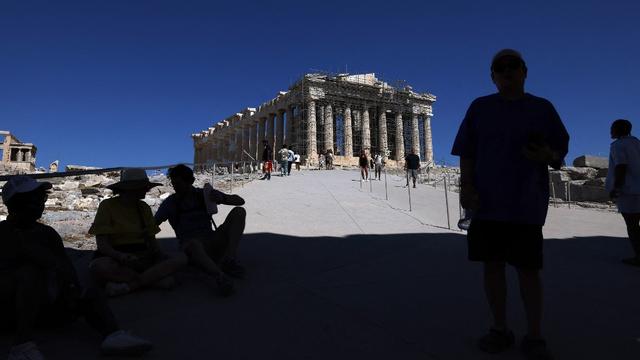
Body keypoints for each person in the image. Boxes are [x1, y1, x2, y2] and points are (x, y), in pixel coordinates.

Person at [451, 49, 569, 360]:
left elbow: (559, 153)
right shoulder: (480, 107)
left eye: (512, 66)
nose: (506, 71)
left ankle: (534, 334)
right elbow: (467, 151)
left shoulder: (542, 108)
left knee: (528, 270)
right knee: (492, 268)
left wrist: (548, 156)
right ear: (492, 75)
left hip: (526, 202)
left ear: (524, 71)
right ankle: (500, 328)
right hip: (487, 203)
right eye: (499, 68)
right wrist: (466, 187)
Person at [0, 176, 153, 359]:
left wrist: (72, 289)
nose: (39, 204)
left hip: (46, 305)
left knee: (89, 291)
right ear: (15, 204)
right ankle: (21, 345)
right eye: (33, 199)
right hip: (10, 310)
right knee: (28, 274)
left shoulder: (47, 233)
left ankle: (112, 334)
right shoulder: (3, 233)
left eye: (41, 198)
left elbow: (64, 266)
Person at [88, 169, 188, 297]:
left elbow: (151, 240)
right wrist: (121, 256)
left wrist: (159, 255)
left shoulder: (144, 207)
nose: (146, 190)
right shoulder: (107, 206)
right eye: (143, 187)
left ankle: (129, 285)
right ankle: (151, 279)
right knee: (99, 266)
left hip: (143, 256)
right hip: (117, 257)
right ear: (131, 188)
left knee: (181, 258)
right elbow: (102, 244)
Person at [155, 164, 246, 296]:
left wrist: (222, 198)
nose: (175, 187)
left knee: (239, 212)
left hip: (211, 241)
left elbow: (240, 201)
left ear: (190, 181)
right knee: (193, 244)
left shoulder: (203, 195)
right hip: (191, 248)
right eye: (173, 183)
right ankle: (220, 276)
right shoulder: (171, 202)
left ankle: (229, 260)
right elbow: (154, 223)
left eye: (179, 184)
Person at [606, 119, 640, 267]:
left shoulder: (618, 145)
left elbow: (621, 166)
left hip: (630, 191)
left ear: (618, 130)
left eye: (612, 128)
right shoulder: (637, 143)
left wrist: (616, 188)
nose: (610, 131)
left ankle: (639, 256)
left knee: (632, 226)